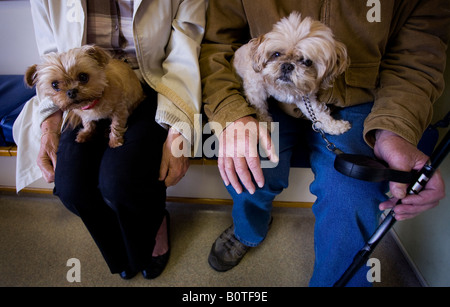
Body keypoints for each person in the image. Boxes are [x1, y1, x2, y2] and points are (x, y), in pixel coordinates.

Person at [200, 0, 449, 286]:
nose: (289, 62)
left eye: (304, 59)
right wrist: (232, 114)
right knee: (246, 164)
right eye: (280, 53)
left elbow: (416, 58)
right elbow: (216, 45)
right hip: (267, 97)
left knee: (353, 193)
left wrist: (395, 128)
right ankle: (247, 230)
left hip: (359, 98)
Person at [13, 0, 206, 280]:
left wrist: (179, 130)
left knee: (121, 181)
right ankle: (122, 248)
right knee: (70, 187)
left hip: (153, 83)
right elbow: (50, 61)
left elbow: (184, 52)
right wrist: (49, 125)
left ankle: (154, 225)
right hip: (78, 98)